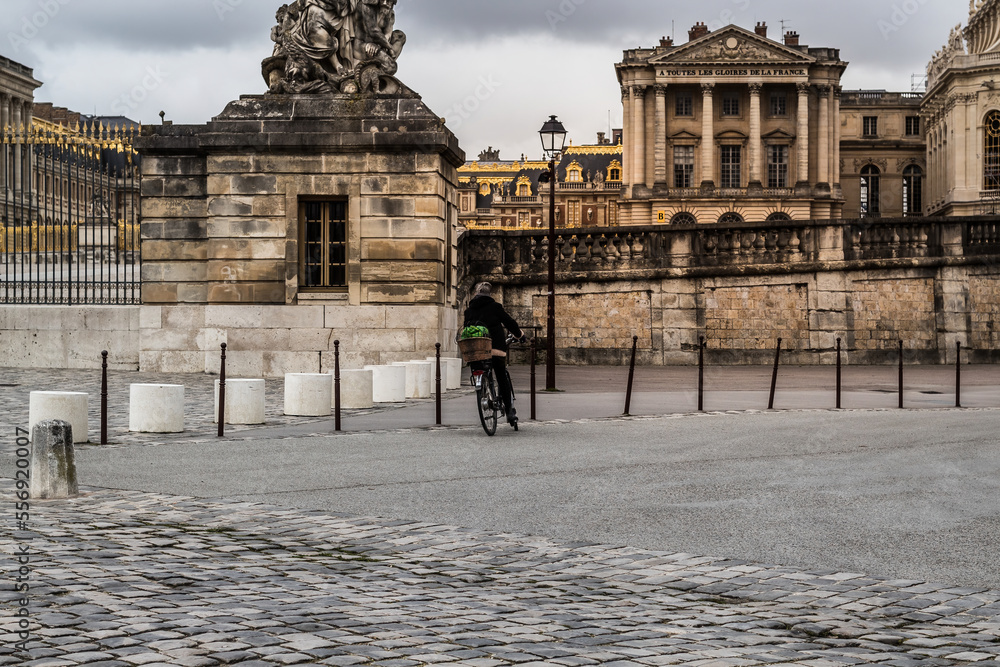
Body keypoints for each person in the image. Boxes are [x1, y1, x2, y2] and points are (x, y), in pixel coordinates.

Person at [463, 282, 526, 426]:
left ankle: (483, 389)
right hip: (495, 349)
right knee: (501, 376)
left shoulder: (469, 311)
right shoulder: (495, 307)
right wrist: (520, 335)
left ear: (475, 294)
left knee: (480, 369)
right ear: (489, 295)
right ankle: (510, 412)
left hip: (476, 351)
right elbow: (510, 323)